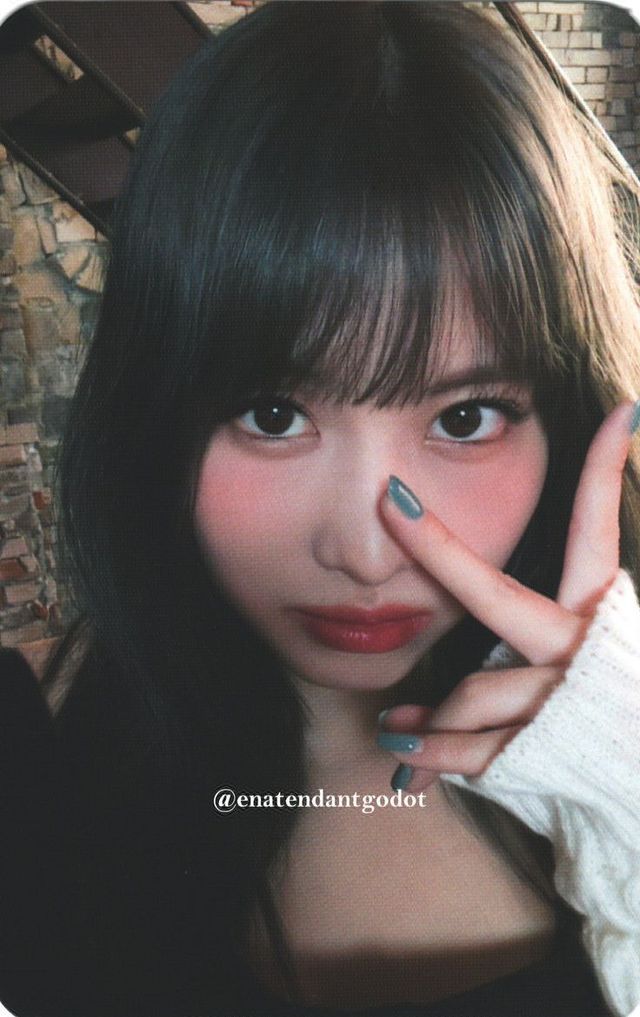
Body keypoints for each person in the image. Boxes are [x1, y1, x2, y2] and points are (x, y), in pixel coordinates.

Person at [1, 2, 640, 1015]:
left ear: (563, 422)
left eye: (465, 416)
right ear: (153, 408)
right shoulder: (41, 783)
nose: (366, 553)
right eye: (272, 413)